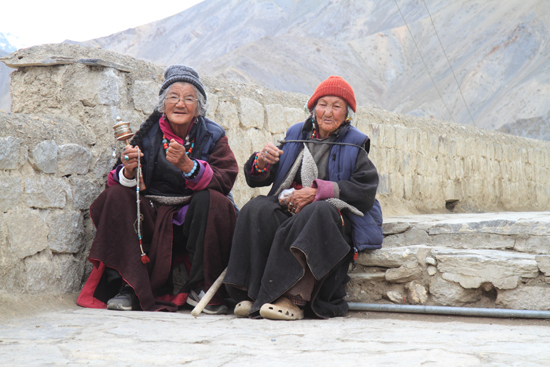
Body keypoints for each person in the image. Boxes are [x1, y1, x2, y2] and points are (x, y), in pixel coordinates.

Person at [77, 65, 238, 314]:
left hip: (191, 218)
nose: (180, 104)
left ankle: (202, 287)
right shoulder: (146, 133)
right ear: (163, 104)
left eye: (188, 98)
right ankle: (128, 286)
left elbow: (225, 177)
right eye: (173, 97)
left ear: (199, 107)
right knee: (116, 195)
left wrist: (188, 165)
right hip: (151, 215)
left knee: (214, 201)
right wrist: (129, 171)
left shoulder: (213, 135)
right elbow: (115, 178)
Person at [224, 76, 382, 320]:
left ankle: (294, 298)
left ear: (347, 114)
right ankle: (253, 294)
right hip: (292, 207)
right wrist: (261, 162)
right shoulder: (296, 134)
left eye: (336, 106)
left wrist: (319, 192)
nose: (328, 112)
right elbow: (259, 178)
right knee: (258, 208)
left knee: (317, 212)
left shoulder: (355, 143)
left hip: (332, 217)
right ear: (312, 108)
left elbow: (365, 191)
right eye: (323, 104)